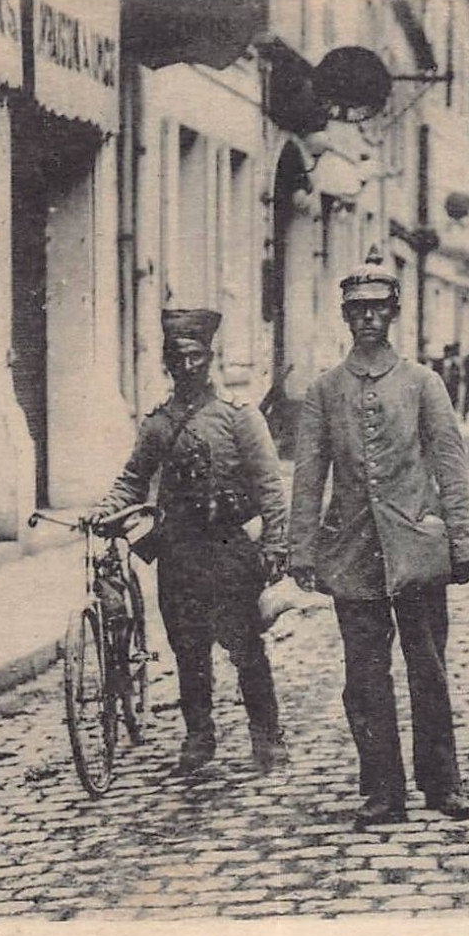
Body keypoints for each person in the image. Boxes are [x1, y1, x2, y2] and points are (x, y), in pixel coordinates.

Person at [289, 248, 469, 830]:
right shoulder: (325, 391)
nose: (368, 319)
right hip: (353, 553)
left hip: (417, 550)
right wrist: (302, 549)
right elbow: (308, 473)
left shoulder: (423, 384)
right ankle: (380, 789)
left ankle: (442, 781)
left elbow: (450, 464)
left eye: (378, 308)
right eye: (358, 310)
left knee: (428, 668)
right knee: (363, 677)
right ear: (345, 317)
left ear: (394, 312)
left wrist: (463, 541)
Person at [94, 309, 289, 775]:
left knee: (244, 647)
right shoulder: (159, 423)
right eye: (176, 357)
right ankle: (199, 738)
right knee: (188, 648)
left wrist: (277, 546)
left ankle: (267, 736)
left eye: (195, 357)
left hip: (228, 549)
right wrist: (107, 510)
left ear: (210, 359)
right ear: (166, 362)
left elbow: (269, 485)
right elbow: (133, 479)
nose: (186, 367)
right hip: (178, 552)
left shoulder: (238, 417)